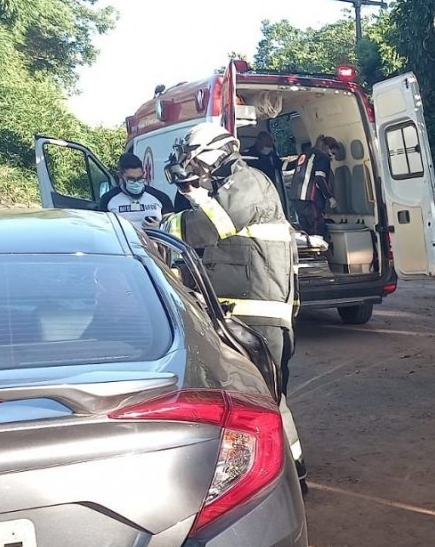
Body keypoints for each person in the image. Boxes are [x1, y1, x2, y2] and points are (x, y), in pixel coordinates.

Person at [160, 123, 306, 485]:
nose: (190, 169)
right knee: (253, 400)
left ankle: (288, 476)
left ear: (214, 154)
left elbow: (210, 228)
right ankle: (287, 472)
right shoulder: (226, 190)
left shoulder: (248, 183)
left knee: (266, 400)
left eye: (193, 161)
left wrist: (164, 224)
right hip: (236, 318)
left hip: (259, 320)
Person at [290, 135, 341, 247]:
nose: (333, 156)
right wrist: (330, 197)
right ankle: (317, 252)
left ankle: (308, 252)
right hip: (310, 198)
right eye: (333, 153)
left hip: (296, 196)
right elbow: (319, 178)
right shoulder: (323, 157)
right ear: (327, 147)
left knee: (305, 228)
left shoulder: (305, 154)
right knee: (316, 226)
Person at [100, 152, 173, 228]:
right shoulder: (108, 200)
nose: (136, 183)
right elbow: (103, 229)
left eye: (139, 178)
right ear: (120, 176)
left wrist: (160, 227)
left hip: (155, 238)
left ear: (144, 173)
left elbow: (173, 227)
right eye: (131, 179)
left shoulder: (161, 198)